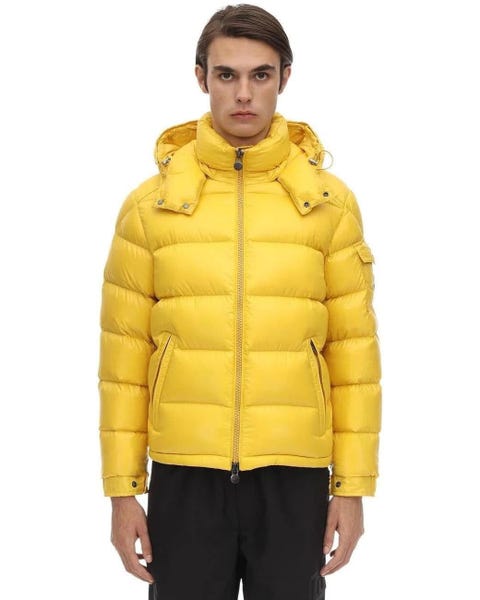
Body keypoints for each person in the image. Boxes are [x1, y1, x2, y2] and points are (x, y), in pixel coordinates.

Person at [97, 4, 382, 599]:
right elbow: (122, 363)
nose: (244, 93)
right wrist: (122, 492)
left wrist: (352, 488)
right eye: (227, 75)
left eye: (261, 74)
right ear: (202, 78)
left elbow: (354, 358)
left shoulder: (328, 206)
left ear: (285, 78)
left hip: (295, 475)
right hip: (184, 473)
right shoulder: (149, 209)